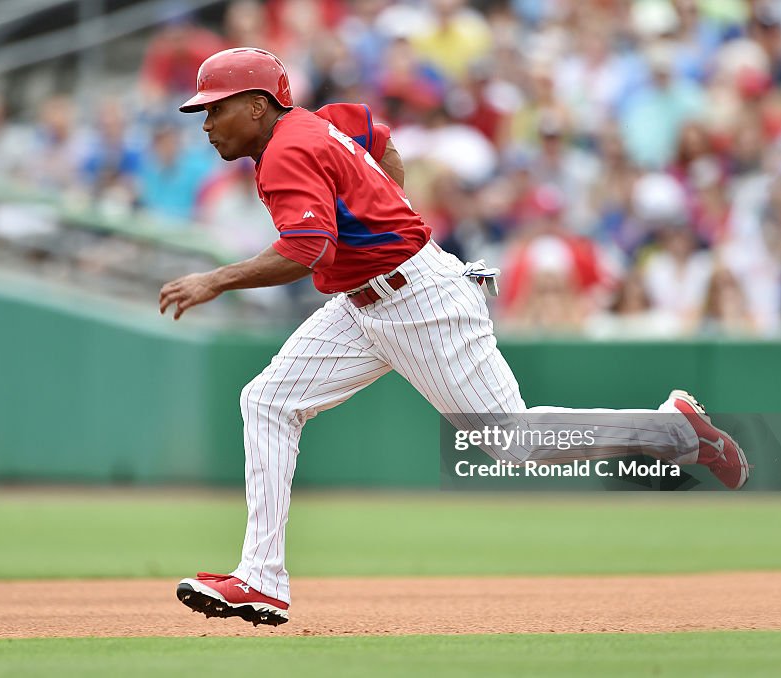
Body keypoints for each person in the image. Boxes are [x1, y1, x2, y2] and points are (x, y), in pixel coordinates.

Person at [160, 48, 750, 628]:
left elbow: (305, 249)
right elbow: (377, 133)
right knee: (268, 401)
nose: (207, 123)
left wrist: (216, 279)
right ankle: (261, 579)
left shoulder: (287, 150)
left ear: (259, 106)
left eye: (217, 108)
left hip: (419, 301)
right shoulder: (320, 121)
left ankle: (670, 430)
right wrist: (392, 203)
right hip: (367, 300)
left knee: (512, 441)